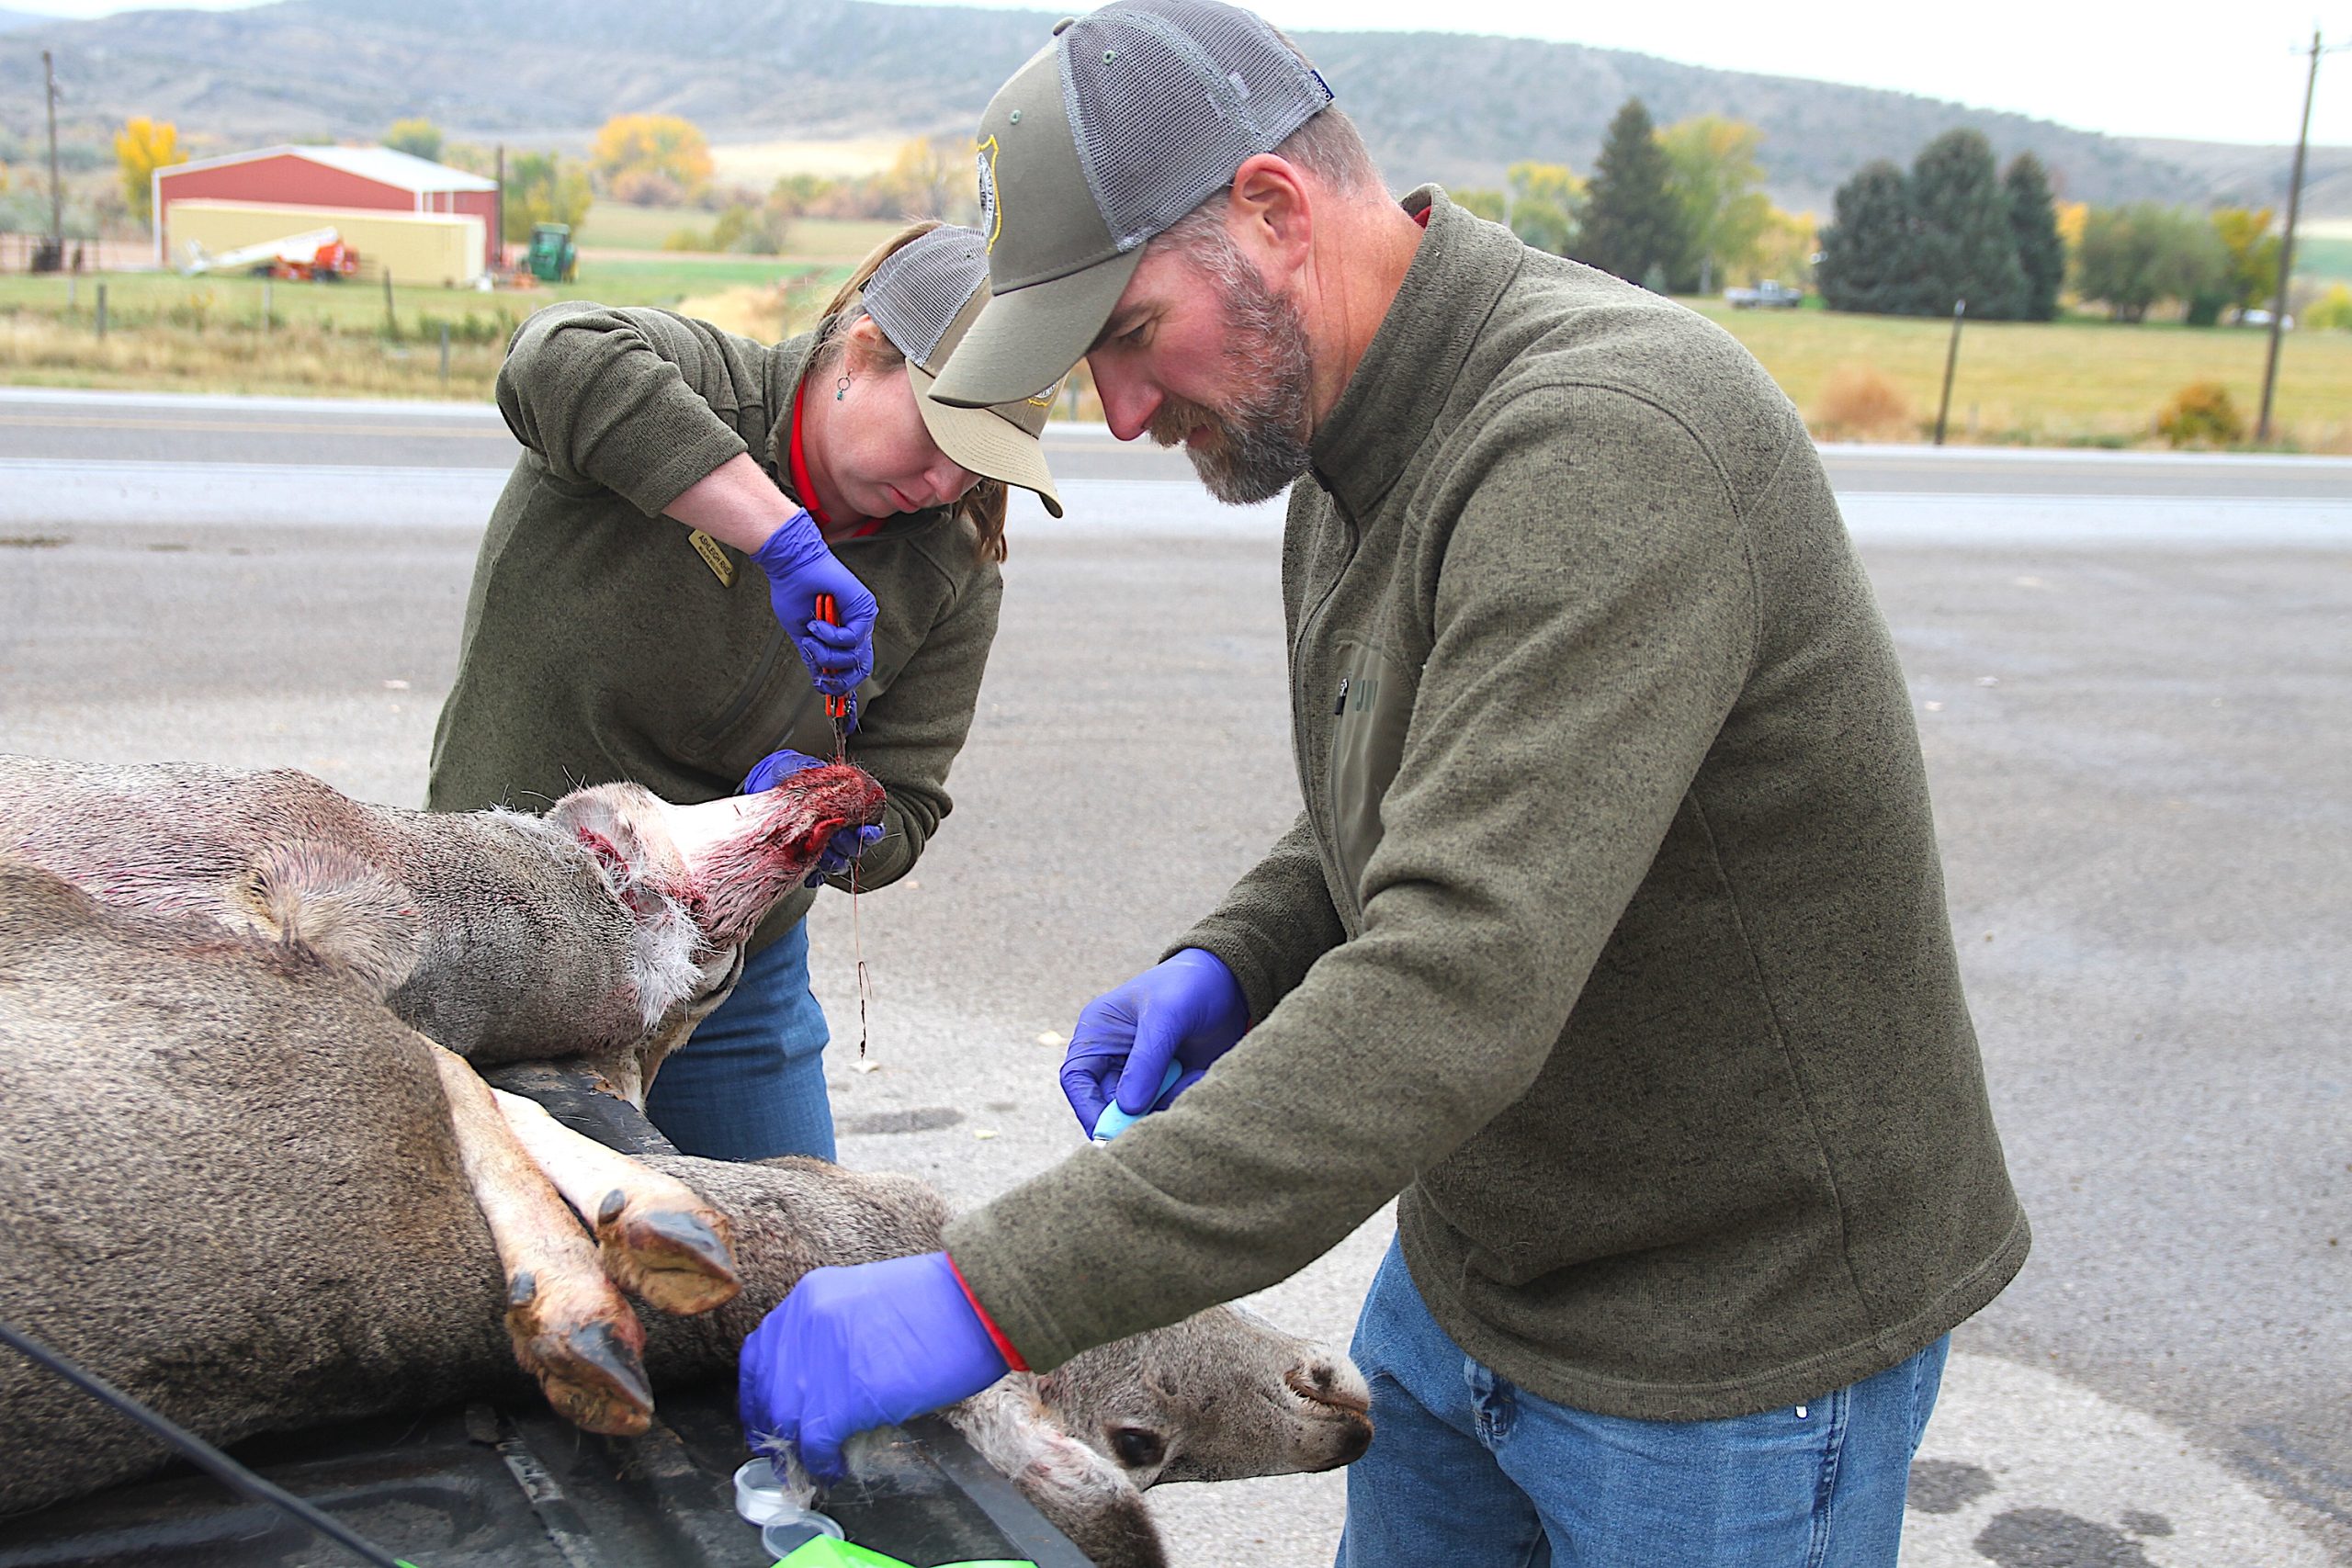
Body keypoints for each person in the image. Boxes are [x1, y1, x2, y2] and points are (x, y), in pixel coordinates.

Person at [736, 5, 2030, 1562]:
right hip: (1479, 1263)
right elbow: (1440, 780)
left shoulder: (1604, 440)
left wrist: (981, 1294)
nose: (1126, 414)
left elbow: (1455, 977)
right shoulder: (1346, 447)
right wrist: (1242, 954)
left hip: (1724, 1337)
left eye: (1130, 334)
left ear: (1274, 214)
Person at [428, 221, 1062, 1162]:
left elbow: (908, 802)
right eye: (941, 434)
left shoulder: (953, 572)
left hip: (728, 979)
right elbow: (551, 357)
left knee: (782, 1240)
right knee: (507, 1230)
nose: (945, 481)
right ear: (863, 351)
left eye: (980, 459)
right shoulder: (704, 385)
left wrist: (841, 822)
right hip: (510, 922)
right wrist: (784, 541)